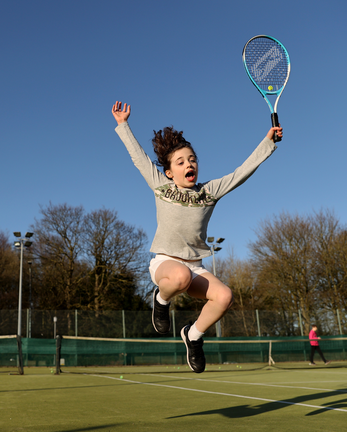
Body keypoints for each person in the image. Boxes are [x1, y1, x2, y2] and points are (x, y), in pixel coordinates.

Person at [111, 101, 282, 373]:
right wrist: (123, 125)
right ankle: (161, 300)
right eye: (180, 162)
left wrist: (268, 143)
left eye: (192, 159)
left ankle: (193, 336)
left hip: (194, 267)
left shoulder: (209, 192)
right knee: (179, 277)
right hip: (166, 264)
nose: (189, 164)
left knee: (224, 296)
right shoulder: (161, 187)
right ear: (169, 172)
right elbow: (139, 158)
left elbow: (241, 173)